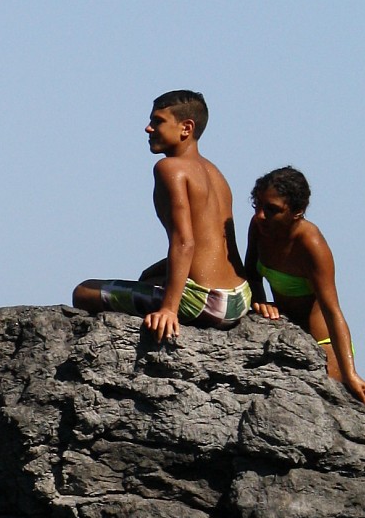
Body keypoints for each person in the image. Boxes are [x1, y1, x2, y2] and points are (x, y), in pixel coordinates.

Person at [72, 89, 251, 340]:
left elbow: (185, 242)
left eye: (158, 121)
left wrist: (169, 309)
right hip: (239, 298)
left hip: (206, 304)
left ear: (186, 128)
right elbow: (220, 245)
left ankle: (173, 302)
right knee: (150, 276)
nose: (148, 128)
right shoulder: (215, 173)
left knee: (84, 291)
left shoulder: (170, 168)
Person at [245, 166, 365, 406]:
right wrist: (260, 300)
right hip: (282, 326)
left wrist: (350, 373)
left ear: (297, 211)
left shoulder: (311, 245)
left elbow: (333, 312)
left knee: (330, 409)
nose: (261, 215)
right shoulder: (260, 227)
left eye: (272, 210)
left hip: (324, 340)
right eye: (257, 205)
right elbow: (251, 272)